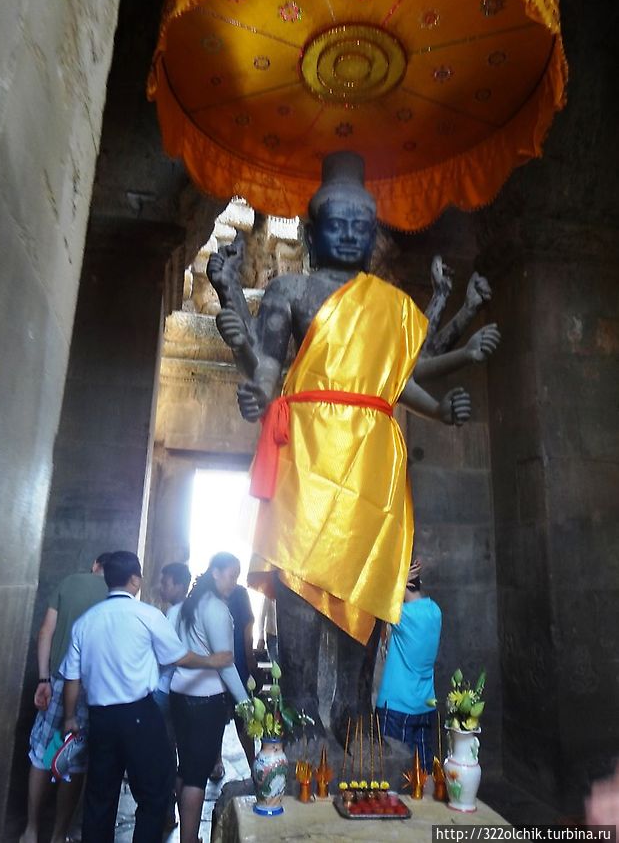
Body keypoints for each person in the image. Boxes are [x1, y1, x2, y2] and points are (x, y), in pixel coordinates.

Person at [207, 150, 500, 743]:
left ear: (373, 237)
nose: (349, 233)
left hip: (371, 455)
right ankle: (299, 712)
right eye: (336, 224)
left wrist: (442, 409)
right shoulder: (290, 288)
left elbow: (398, 382)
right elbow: (268, 371)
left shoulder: (390, 303)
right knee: (297, 579)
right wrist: (250, 375)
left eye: (361, 227)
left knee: (361, 585)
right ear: (312, 233)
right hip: (308, 451)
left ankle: (353, 713)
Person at [61, 550, 233, 843]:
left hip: (100, 718)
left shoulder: (85, 622)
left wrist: (68, 718)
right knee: (154, 792)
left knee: (99, 795)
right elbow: (179, 656)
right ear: (135, 580)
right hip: (139, 715)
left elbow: (71, 678)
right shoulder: (147, 616)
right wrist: (212, 661)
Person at [20, 552, 111, 843]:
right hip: (90, 689)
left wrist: (44, 678)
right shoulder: (115, 596)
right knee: (73, 760)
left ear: (95, 564)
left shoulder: (70, 582)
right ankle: (59, 835)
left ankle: (31, 831)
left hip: (58, 682)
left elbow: (45, 632)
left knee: (43, 754)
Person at [167, 552, 250, 843]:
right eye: (231, 575)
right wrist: (245, 703)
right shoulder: (214, 608)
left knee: (185, 767)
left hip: (179, 697)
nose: (235, 583)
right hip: (205, 702)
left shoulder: (181, 608)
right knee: (196, 775)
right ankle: (189, 839)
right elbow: (225, 663)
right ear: (215, 573)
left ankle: (186, 837)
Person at [375, 560, 442, 773]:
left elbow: (376, 594)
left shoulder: (402, 616)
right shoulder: (435, 611)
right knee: (422, 774)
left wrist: (397, 577)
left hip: (396, 706)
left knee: (394, 773)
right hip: (425, 704)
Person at [154, 562, 191, 832]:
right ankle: (169, 811)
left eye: (166, 582)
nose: (161, 587)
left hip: (165, 690)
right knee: (170, 753)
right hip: (176, 691)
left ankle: (165, 811)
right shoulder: (185, 612)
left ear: (179, 585)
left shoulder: (174, 614)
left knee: (163, 755)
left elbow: (165, 656)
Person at [210, 581, 257, 778]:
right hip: (238, 666)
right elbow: (248, 637)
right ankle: (254, 764)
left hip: (217, 666)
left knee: (218, 718)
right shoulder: (241, 595)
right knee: (243, 719)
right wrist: (251, 663)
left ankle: (216, 763)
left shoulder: (214, 596)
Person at [257, 595, 278, 664]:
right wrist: (261, 637)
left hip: (287, 636)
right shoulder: (268, 593)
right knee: (276, 666)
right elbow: (261, 616)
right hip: (272, 635)